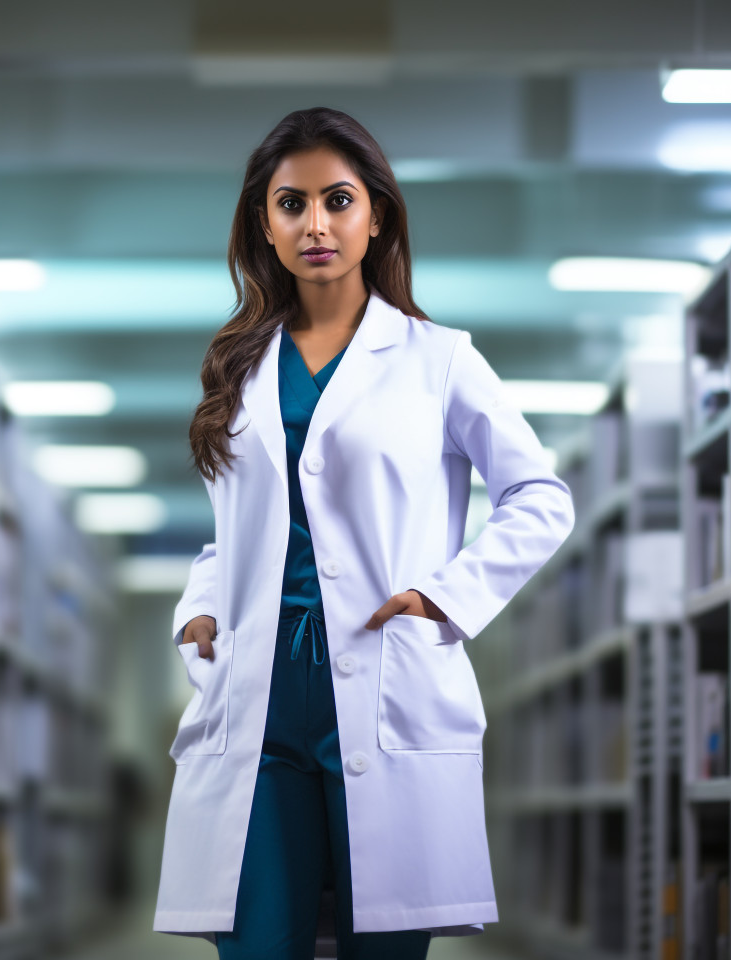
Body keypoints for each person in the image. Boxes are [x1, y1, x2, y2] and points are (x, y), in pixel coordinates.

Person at [153, 107, 576, 960]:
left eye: (338, 200)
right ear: (263, 225)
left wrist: (442, 598)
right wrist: (200, 611)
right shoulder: (236, 368)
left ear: (374, 214)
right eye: (291, 204)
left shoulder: (440, 359)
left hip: (385, 679)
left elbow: (540, 495)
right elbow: (230, 538)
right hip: (258, 696)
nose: (316, 225)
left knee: (380, 948)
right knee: (256, 942)